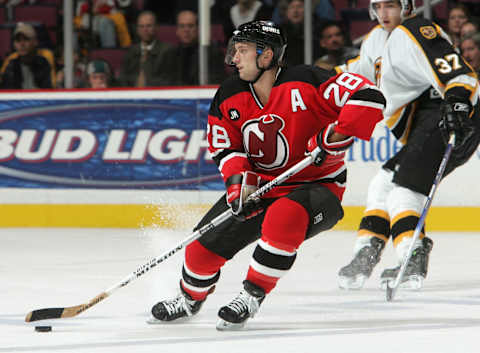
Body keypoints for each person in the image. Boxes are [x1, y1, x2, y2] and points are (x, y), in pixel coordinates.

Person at [147, 20, 385, 330]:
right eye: (234, 51)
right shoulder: (229, 94)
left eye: (242, 51)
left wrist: (336, 135)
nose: (234, 58)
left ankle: (251, 294)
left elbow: (368, 96)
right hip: (261, 189)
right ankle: (190, 298)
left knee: (283, 218)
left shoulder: (308, 80)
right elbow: (227, 148)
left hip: (317, 187)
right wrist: (238, 187)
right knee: (200, 250)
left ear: (267, 56)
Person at [336, 0, 480, 290]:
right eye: (379, 6)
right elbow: (355, 73)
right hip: (427, 123)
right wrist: (311, 81)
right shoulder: (376, 39)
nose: (385, 13)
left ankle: (412, 254)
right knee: (382, 184)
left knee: (404, 192)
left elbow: (458, 72)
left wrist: (457, 103)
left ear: (407, 6)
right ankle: (367, 249)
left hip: (450, 118)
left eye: (391, 5)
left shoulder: (418, 29)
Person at [157, 10, 226, 85]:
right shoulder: (169, 54)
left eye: (190, 26)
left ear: (198, 29)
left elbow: (218, 80)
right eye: (182, 26)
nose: (186, 30)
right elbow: (161, 80)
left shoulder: (211, 52)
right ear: (177, 30)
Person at [118, 11, 170, 87]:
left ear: (156, 27)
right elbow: (123, 78)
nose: (145, 30)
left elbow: (168, 80)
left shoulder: (167, 51)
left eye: (148, 26)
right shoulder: (130, 52)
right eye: (141, 26)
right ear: (137, 30)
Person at [0, 22, 55, 89]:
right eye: (18, 40)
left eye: (26, 39)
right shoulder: (11, 65)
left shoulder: (44, 63)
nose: (22, 44)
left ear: (35, 42)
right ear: (14, 44)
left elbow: (48, 91)